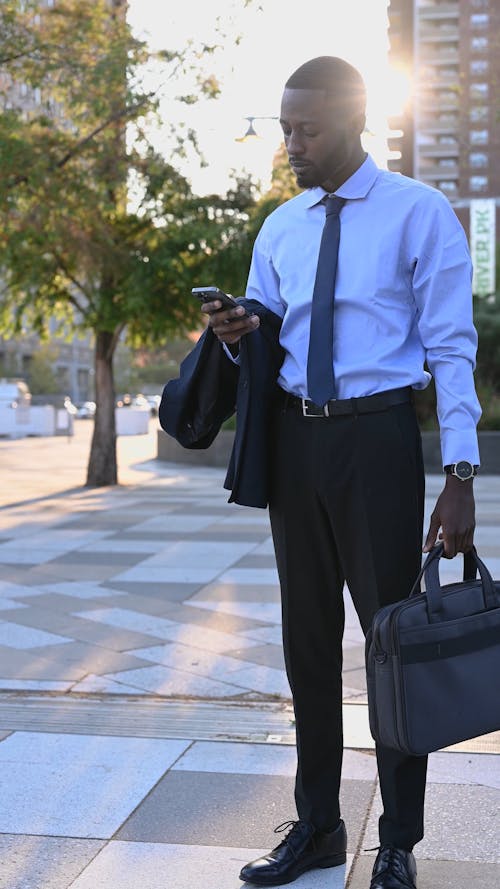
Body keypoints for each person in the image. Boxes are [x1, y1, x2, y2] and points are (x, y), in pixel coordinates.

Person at [199, 57, 481, 889]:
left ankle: (397, 839)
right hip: (297, 446)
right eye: (285, 128)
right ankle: (318, 826)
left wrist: (459, 471)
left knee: (392, 646)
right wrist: (238, 330)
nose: (292, 144)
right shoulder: (280, 227)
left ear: (355, 121)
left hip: (378, 443)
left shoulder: (419, 214)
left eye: (307, 129)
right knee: (307, 646)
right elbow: (267, 340)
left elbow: (452, 347)